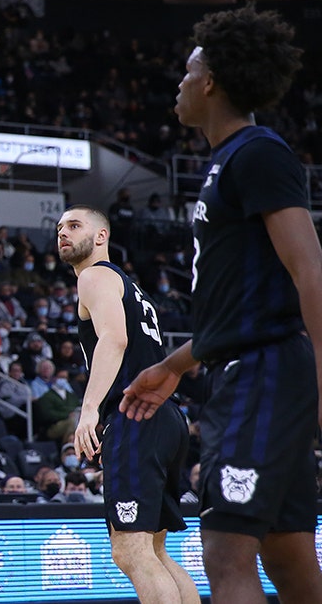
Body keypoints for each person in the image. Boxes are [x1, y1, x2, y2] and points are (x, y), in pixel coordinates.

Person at [122, 7, 322, 604]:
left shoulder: (258, 153)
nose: (179, 85)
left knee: (225, 553)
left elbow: (308, 268)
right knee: (288, 554)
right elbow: (242, 312)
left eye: (187, 73)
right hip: (249, 367)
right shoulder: (228, 162)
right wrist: (173, 367)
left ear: (209, 81)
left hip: (262, 376)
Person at [57, 205, 197, 603]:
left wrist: (88, 412)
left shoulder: (95, 276)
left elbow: (114, 340)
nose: (63, 233)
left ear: (101, 237)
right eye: (59, 228)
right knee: (153, 551)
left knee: (131, 551)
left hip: (136, 416)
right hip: (166, 417)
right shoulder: (131, 286)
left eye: (74, 225)